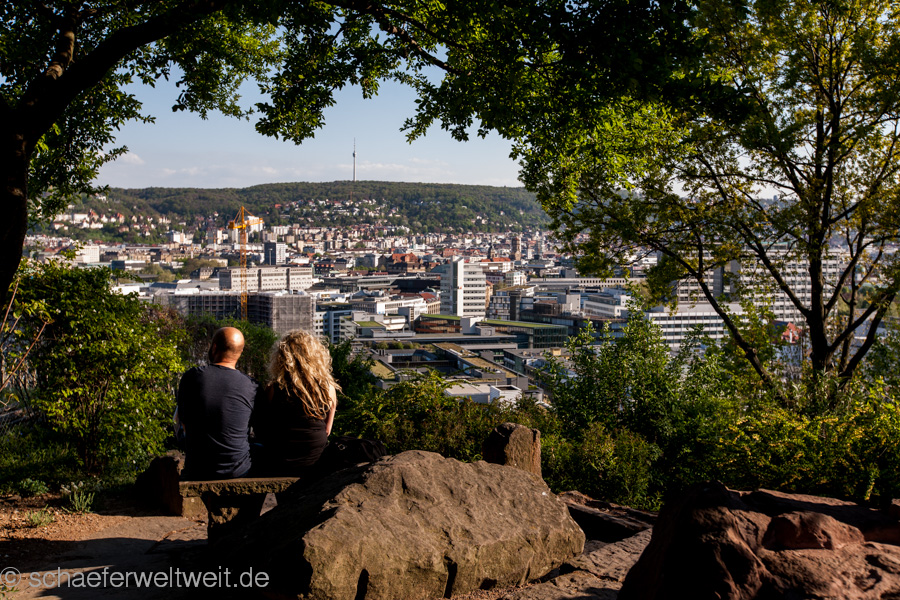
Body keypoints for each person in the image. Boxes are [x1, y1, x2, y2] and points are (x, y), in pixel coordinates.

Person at [253, 329, 341, 476]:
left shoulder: (274, 388)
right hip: (314, 460)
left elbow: (265, 428)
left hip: (279, 460)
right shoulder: (328, 388)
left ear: (282, 358)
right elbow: (327, 430)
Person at [177, 327, 259, 480]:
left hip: (198, 468)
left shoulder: (192, 377)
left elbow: (183, 422)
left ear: (214, 347)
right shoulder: (252, 386)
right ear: (240, 352)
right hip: (238, 470)